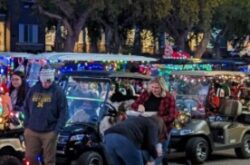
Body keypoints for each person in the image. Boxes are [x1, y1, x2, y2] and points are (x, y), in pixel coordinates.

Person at [23, 66, 68, 165]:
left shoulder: (58, 92)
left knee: (49, 160)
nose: (45, 84)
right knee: (30, 159)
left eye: (48, 81)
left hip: (49, 132)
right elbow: (25, 107)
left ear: (52, 79)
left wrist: (56, 131)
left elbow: (64, 113)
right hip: (32, 131)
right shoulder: (33, 89)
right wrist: (26, 125)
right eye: (43, 81)